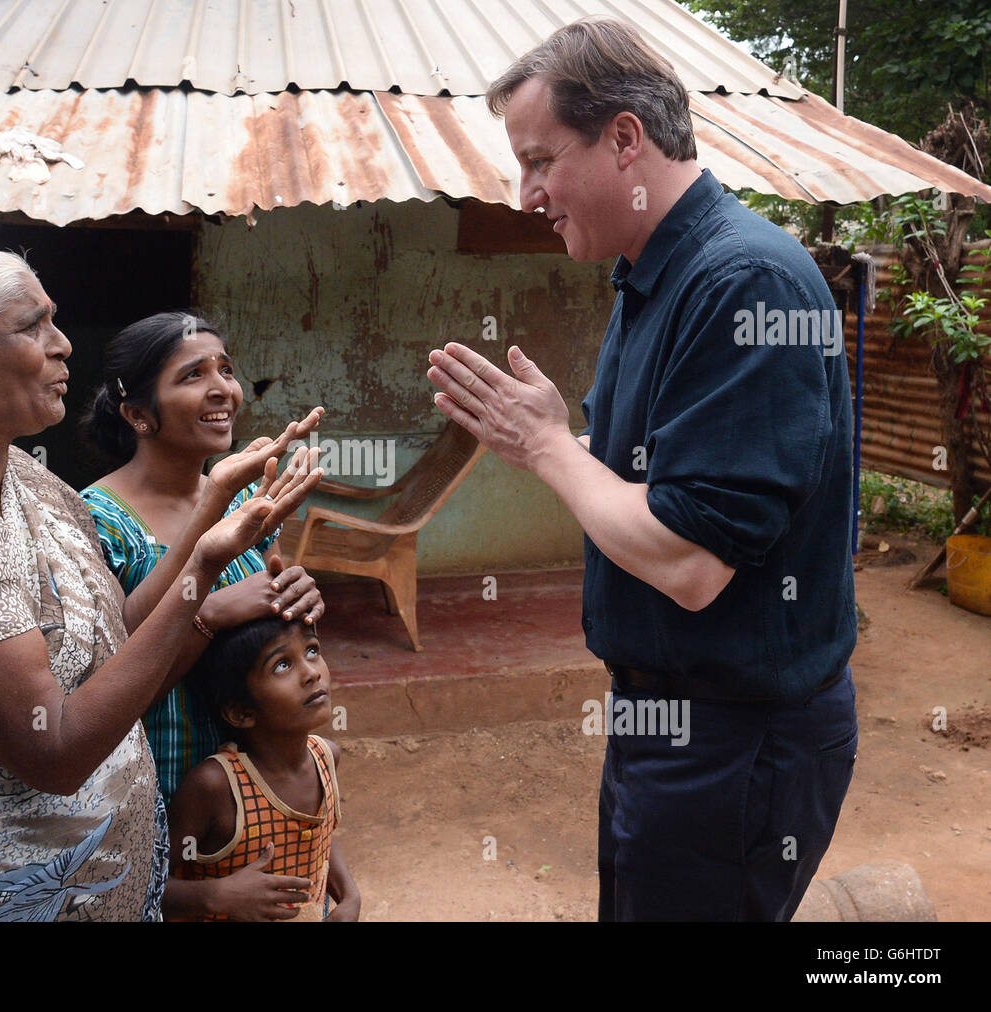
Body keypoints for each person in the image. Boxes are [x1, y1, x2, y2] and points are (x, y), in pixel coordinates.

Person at [426, 17, 858, 921]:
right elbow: (659, 491)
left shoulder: (746, 284)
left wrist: (548, 449)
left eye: (541, 160)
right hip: (664, 723)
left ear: (626, 137)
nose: (527, 193)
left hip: (734, 743)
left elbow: (693, 562)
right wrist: (550, 441)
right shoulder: (653, 274)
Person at [0, 248, 322, 921]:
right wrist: (200, 570)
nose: (63, 346)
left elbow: (122, 638)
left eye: (55, 321)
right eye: (31, 327)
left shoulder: (24, 480)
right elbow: (53, 751)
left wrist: (211, 525)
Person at [80, 312, 325, 807]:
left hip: (254, 804)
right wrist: (209, 613)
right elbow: (109, 683)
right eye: (193, 375)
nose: (223, 389)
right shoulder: (96, 522)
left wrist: (296, 595)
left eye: (225, 370)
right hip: (155, 798)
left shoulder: (244, 505)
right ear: (138, 414)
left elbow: (271, 616)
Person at [163, 617, 360, 921]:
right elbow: (150, 883)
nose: (311, 673)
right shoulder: (216, 787)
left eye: (312, 650)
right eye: (281, 665)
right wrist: (214, 896)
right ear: (242, 713)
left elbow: (320, 840)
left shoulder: (326, 758)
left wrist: (348, 895)